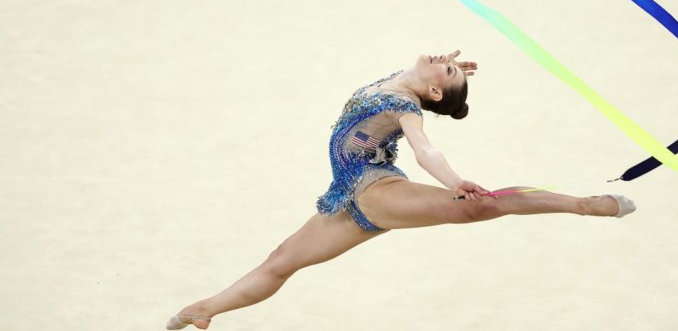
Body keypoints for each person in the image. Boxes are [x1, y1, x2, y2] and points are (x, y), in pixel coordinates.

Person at [165, 50, 636, 330]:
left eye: (448, 71)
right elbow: (428, 79)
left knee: (479, 207)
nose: (444, 63)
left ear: (432, 95)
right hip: (346, 198)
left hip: (376, 186)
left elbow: (425, 151)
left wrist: (454, 183)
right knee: (280, 262)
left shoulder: (408, 104)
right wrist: (450, 72)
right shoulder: (402, 80)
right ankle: (204, 309)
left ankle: (586, 205)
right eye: (450, 66)